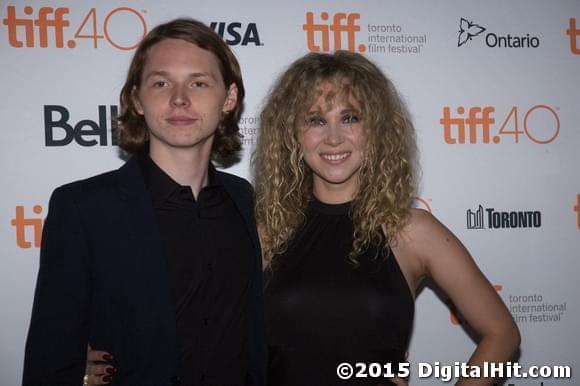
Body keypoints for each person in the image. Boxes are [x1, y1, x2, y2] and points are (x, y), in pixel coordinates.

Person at [84, 51, 520, 385]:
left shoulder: (411, 231)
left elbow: (501, 333)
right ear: (293, 134)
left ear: (376, 129)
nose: (333, 136)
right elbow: (195, 332)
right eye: (315, 119)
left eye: (350, 117)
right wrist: (105, 358)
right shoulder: (262, 230)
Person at [23, 18, 266, 386]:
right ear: (137, 99)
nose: (180, 98)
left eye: (199, 82)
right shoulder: (83, 208)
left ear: (229, 99)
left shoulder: (246, 201)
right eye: (161, 82)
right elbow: (50, 357)